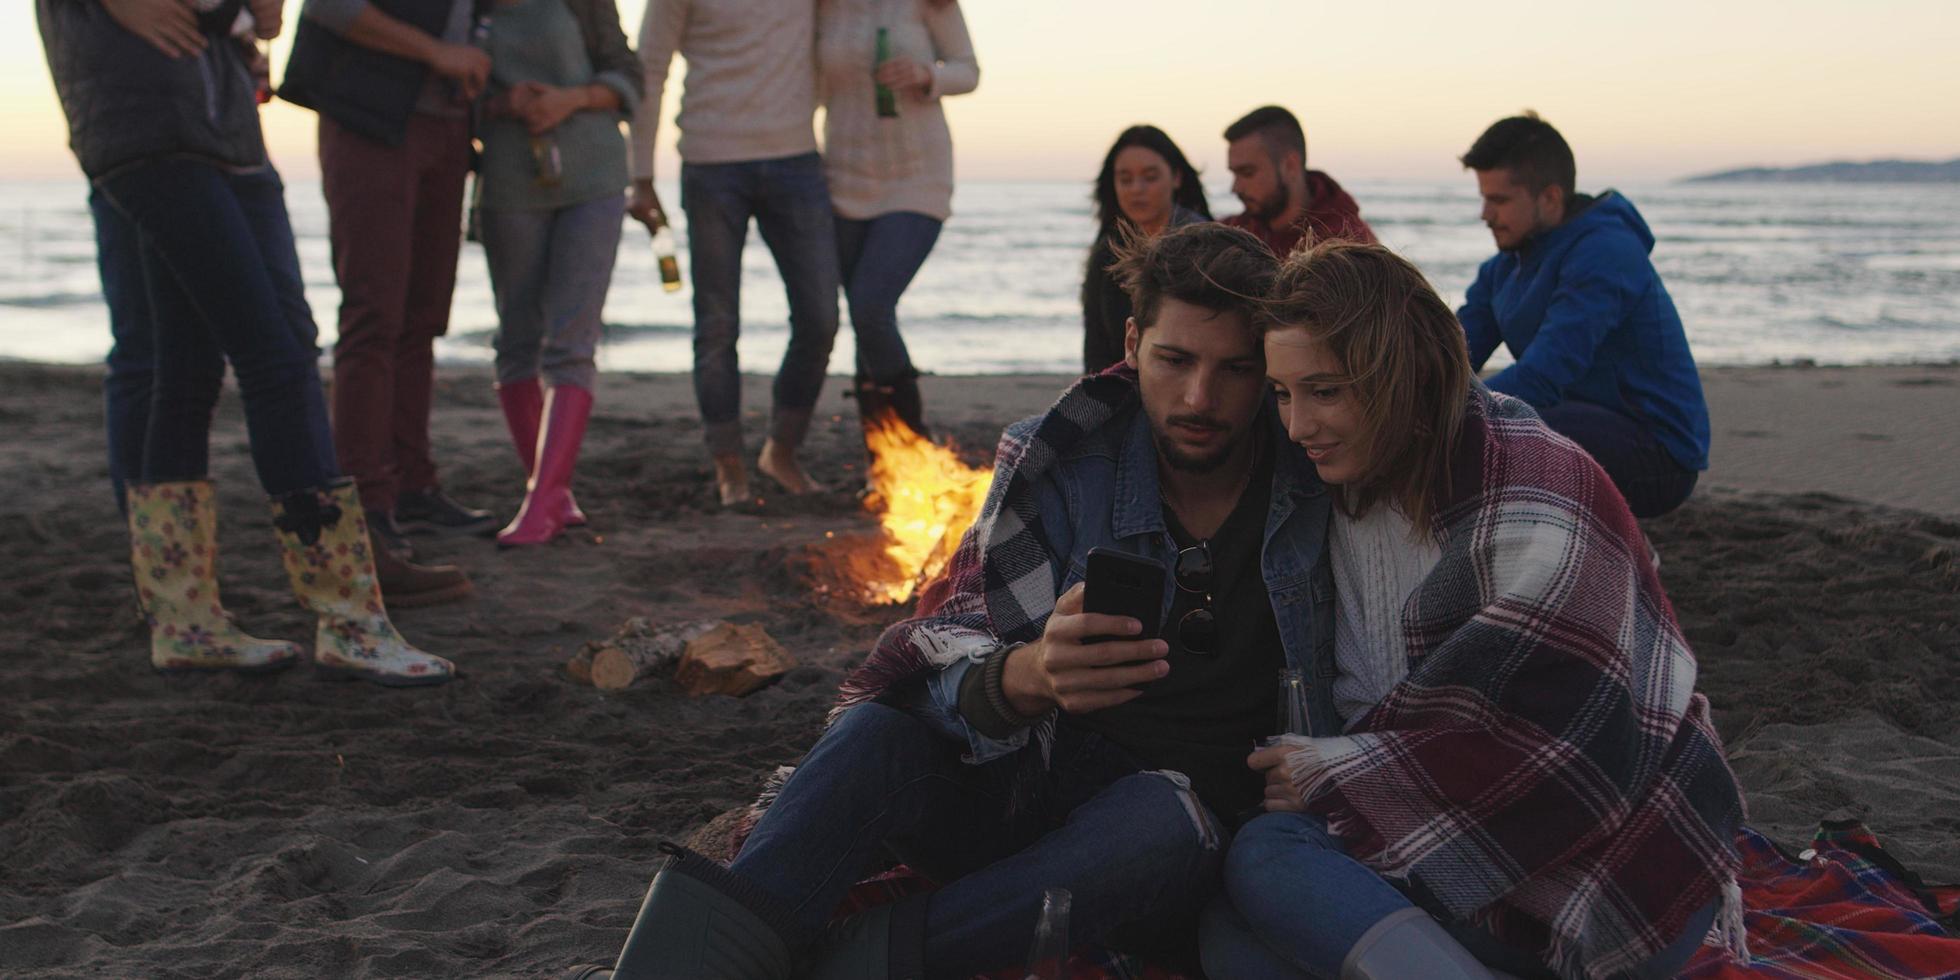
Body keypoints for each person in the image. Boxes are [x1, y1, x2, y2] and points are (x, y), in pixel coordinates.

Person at [570, 224, 1338, 978]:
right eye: (1175, 360)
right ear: (1133, 343)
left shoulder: (1318, 476)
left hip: (1173, 841)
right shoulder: (1060, 458)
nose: (1200, 396)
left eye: (1235, 370)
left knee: (1163, 820)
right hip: (1032, 786)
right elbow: (950, 639)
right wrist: (1028, 675)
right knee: (878, 732)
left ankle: (842, 967)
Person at [1199, 241, 1745, 979]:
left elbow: (1571, 751)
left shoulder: (1531, 488)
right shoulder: (1340, 483)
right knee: (1230, 932)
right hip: (1448, 834)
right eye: (1282, 393)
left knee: (1268, 858)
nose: (1297, 426)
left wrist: (1337, 771)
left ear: (1404, 377)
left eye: (1325, 391)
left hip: (1619, 873)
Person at [40, 0, 458, 685]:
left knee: (197, 367)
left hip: (228, 126)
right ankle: (349, 617)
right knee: (275, 358)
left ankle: (185, 621)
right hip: (146, 124)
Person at [284, 0, 500, 559]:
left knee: (424, 318)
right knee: (373, 313)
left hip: (449, 126)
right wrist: (437, 52)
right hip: (373, 119)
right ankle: (365, 498)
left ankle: (413, 487)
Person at [632, 0, 840, 506]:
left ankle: (781, 451)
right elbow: (650, 68)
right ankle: (729, 466)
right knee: (718, 324)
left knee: (820, 319)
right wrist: (640, 174)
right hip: (711, 163)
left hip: (796, 159)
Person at [1457, 113, 1709, 518]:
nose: (1485, 213)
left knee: (1497, 434)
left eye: (1500, 200)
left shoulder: (1605, 253)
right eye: (1484, 197)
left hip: (1656, 452)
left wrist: (1445, 422)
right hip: (1575, 420)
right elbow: (1453, 355)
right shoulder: (1503, 267)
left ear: (1550, 198)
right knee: (1477, 427)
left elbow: (1543, 375)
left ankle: (1623, 552)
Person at [473, 0, 642, 547]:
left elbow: (628, 77)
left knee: (573, 339)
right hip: (508, 179)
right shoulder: (468, 8)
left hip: (594, 175)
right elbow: (448, 96)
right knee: (517, 336)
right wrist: (500, 104)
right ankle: (550, 490)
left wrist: (572, 98)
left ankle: (542, 500)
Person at [817, 0, 978, 441]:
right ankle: (880, 461)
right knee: (865, 322)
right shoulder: (820, 9)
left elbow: (968, 70)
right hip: (842, 179)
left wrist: (928, 74)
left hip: (917, 177)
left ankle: (913, 434)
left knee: (871, 304)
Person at [1081, 125, 1212, 374]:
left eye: (1150, 177)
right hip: (1121, 389)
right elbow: (1095, 348)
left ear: (1176, 177)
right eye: (1125, 179)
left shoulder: (1202, 243)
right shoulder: (1108, 249)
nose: (1136, 189)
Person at [1221, 105, 1376, 257]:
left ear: (1290, 165)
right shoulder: (1235, 233)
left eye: (1247, 173)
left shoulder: (1346, 248)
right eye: (1234, 174)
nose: (1236, 188)